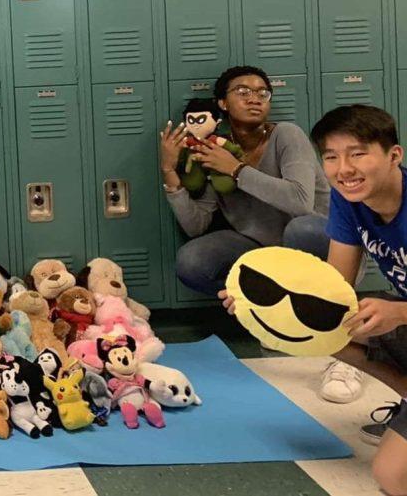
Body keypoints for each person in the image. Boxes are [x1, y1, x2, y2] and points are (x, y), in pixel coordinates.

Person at [223, 104, 407, 496]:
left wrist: (401, 311)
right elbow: (332, 292)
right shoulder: (349, 199)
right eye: (331, 156)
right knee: (333, 330)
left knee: (393, 476)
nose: (344, 168)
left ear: (394, 155)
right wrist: (258, 305)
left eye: (358, 153)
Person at [158, 66, 360, 402]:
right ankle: (268, 313)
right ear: (221, 103)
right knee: (192, 260)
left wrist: (236, 170)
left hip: (319, 240)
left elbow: (300, 202)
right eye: (243, 91)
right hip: (261, 247)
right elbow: (196, 225)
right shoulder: (216, 147)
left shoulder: (287, 135)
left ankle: (336, 330)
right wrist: (169, 171)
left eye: (263, 92)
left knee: (299, 229)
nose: (255, 98)